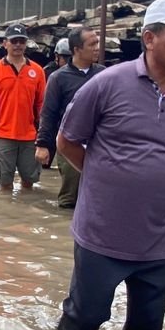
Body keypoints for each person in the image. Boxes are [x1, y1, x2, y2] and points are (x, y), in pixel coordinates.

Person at [55, 0, 165, 330]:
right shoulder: (106, 84)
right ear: (149, 38)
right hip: (101, 235)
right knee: (82, 325)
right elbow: (66, 141)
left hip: (160, 243)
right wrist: (101, 176)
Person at [36, 27, 102, 209]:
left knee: (99, 193)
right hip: (70, 143)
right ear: (76, 50)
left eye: (97, 43)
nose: (97, 48)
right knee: (70, 196)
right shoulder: (58, 78)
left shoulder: (104, 75)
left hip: (100, 143)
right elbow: (48, 113)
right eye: (92, 44)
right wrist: (43, 145)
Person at [0, 24, 45, 193]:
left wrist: (43, 134)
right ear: (5, 44)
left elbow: (41, 104)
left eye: (21, 41)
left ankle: (27, 214)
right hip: (3, 134)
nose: (18, 45)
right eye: (14, 41)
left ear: (26, 44)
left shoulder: (37, 71)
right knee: (4, 182)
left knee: (29, 180)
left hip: (29, 135)